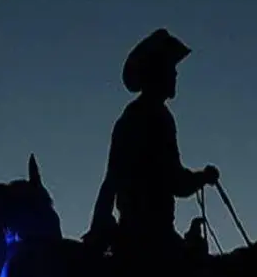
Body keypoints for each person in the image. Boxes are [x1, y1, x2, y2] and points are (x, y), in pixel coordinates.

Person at [83, 28, 219, 262]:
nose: (175, 74)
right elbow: (175, 181)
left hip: (132, 235)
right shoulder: (157, 118)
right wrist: (203, 177)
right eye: (171, 68)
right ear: (158, 73)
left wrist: (98, 227)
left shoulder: (130, 118)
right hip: (154, 239)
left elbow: (111, 180)